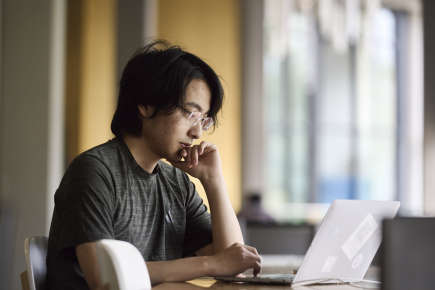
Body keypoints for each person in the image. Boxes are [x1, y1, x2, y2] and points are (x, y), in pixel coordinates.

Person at [46, 40, 262, 290]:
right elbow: (104, 277)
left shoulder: (176, 182)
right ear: (146, 104)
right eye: (190, 114)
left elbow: (233, 266)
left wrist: (214, 182)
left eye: (204, 119)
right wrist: (211, 264)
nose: (197, 132)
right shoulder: (95, 171)